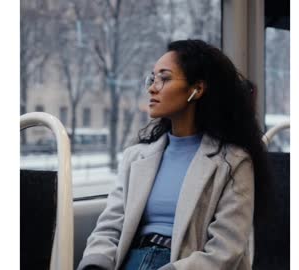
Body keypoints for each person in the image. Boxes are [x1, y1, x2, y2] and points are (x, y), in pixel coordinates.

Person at [77, 39, 268, 270]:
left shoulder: (232, 162)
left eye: (164, 79)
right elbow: (109, 227)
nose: (152, 87)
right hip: (129, 261)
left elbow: (225, 250)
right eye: (152, 78)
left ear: (196, 89)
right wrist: (95, 265)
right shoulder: (135, 156)